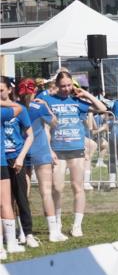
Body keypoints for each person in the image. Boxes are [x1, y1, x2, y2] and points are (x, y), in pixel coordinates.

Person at [47, 70, 106, 237]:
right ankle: (57, 221)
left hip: (76, 150)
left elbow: (102, 108)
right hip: (58, 150)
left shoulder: (78, 101)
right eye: (62, 86)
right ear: (57, 86)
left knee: (77, 187)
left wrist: (86, 93)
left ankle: (77, 225)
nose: (66, 88)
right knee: (57, 187)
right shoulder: (50, 100)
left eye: (69, 85)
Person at [18, 78, 63, 243]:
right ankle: (53, 231)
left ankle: (23, 232)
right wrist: (47, 107)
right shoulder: (40, 106)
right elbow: (55, 123)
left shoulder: (16, 107)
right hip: (40, 150)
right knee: (46, 192)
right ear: (35, 90)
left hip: (21, 150)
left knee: (22, 194)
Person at [1, 79, 33, 253]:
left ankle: (27, 233)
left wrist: (21, 157)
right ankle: (8, 236)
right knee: (5, 201)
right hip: (1, 158)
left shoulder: (18, 108)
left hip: (15, 157)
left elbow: (30, 135)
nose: (0, 93)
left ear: (9, 90)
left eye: (1, 90)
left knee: (21, 196)